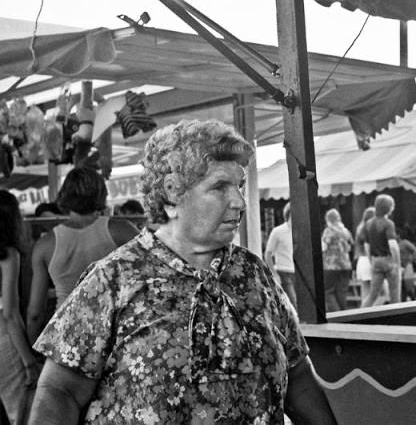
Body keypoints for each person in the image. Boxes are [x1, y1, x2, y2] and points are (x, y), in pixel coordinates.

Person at [29, 120, 336, 424]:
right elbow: (60, 392)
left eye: (239, 186)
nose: (240, 202)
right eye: (219, 187)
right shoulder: (114, 279)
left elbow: (299, 377)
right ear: (173, 193)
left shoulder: (253, 273)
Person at [26, 167, 139, 344]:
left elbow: (35, 314)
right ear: (101, 194)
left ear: (64, 195)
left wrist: (35, 355)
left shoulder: (45, 246)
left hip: (67, 337)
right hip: (115, 334)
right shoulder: (122, 231)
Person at [0, 191, 39, 425]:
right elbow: (10, 315)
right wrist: (29, 362)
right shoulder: (7, 255)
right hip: (5, 346)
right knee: (21, 415)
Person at [361, 194, 402, 307]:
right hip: (389, 260)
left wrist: (371, 260)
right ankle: (397, 319)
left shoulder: (368, 223)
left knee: (373, 294)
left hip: (376, 261)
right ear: (388, 208)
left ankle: (361, 313)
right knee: (395, 294)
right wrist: (397, 264)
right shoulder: (388, 224)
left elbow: (366, 246)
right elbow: (393, 246)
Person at [264, 202, 297, 310]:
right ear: (289, 215)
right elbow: (268, 253)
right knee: (293, 302)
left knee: (301, 305)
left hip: (298, 273)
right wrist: (273, 273)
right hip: (283, 272)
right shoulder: (278, 231)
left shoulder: (301, 231)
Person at [321, 208, 354, 312]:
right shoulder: (346, 231)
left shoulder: (329, 231)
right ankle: (343, 314)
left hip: (331, 265)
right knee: (342, 292)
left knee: (328, 292)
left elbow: (324, 247)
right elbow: (350, 247)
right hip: (346, 265)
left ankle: (335, 314)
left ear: (328, 220)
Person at [354, 206, 375, 306]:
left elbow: (356, 250)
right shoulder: (370, 228)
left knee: (365, 292)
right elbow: (369, 247)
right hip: (369, 260)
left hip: (361, 261)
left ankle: (363, 313)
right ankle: (372, 313)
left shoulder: (359, 229)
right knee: (381, 292)